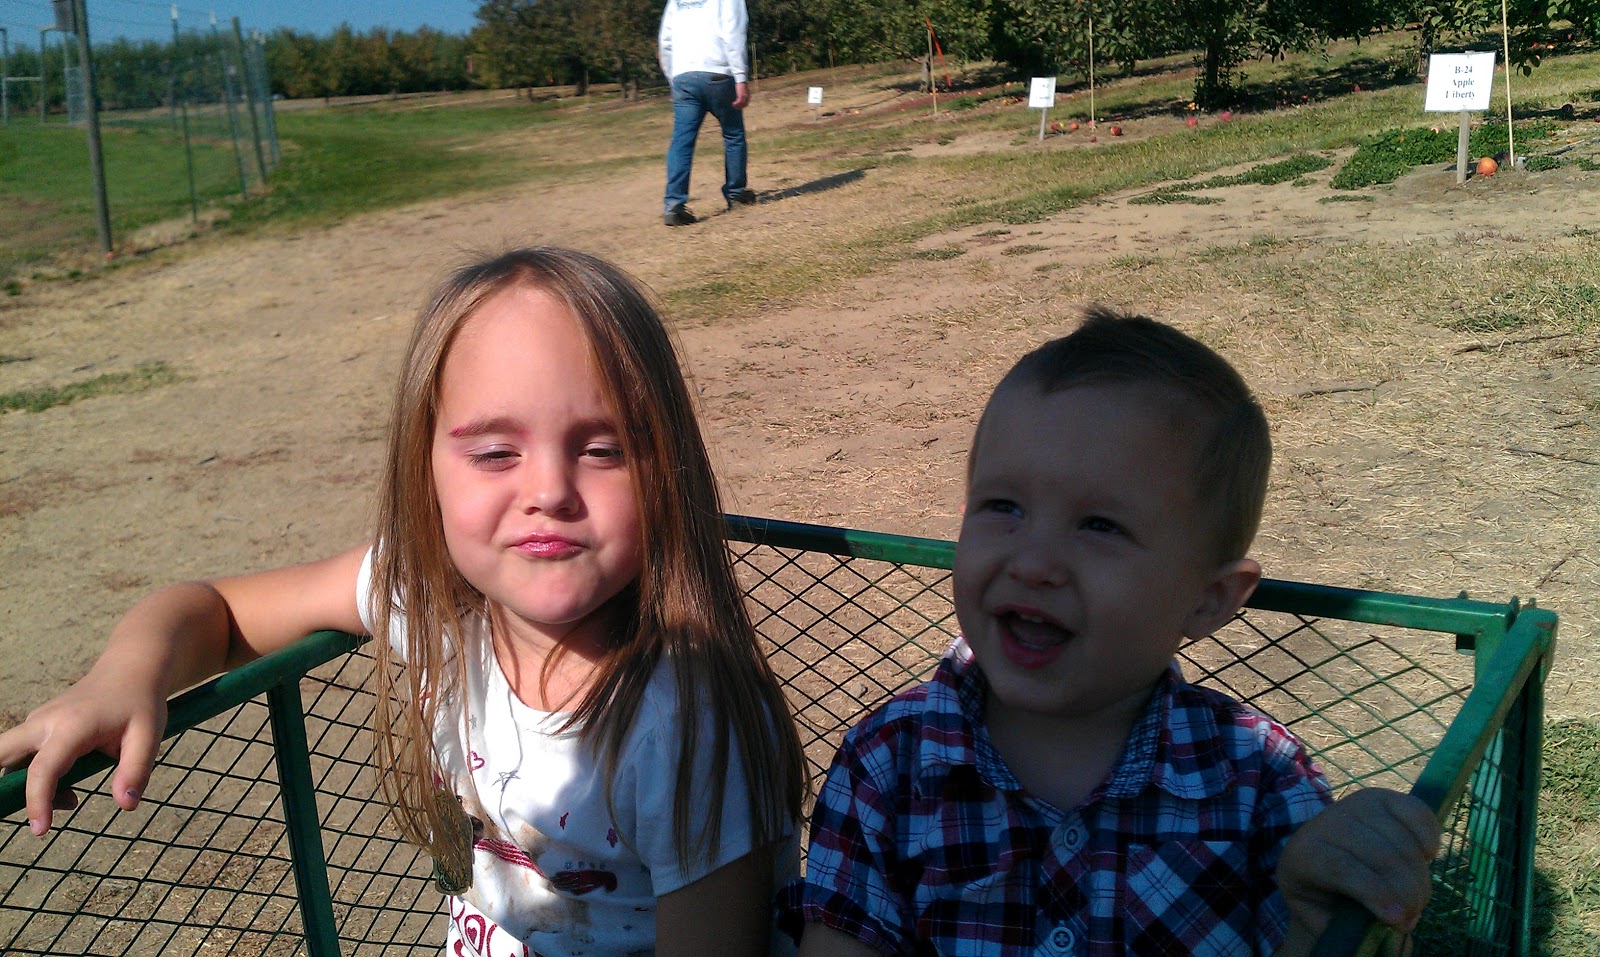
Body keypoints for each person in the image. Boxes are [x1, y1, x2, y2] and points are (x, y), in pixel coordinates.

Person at [0, 247, 809, 957]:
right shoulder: (431, 605)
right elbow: (216, 607)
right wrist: (123, 675)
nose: (550, 490)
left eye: (604, 448)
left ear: (668, 469)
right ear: (426, 471)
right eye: (495, 452)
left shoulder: (688, 725)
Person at [780, 307, 1442, 956]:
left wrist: (1319, 917)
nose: (1033, 562)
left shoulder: (1260, 783)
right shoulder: (886, 765)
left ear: (1208, 600)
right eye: (1003, 505)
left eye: (1099, 525)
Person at [658, 0, 756, 227]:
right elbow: (733, 34)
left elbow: (665, 41)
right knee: (733, 134)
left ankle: (674, 204)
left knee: (682, 142)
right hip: (718, 73)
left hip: (683, 75)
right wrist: (741, 78)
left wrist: (674, 77)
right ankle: (736, 193)